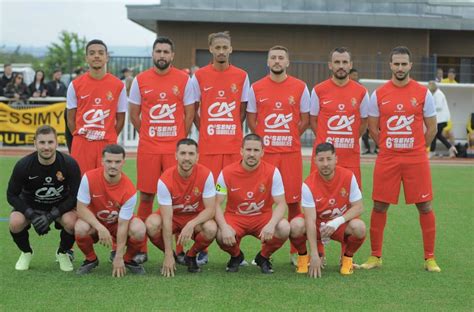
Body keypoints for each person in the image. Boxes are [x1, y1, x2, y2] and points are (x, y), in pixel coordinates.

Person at [362, 46, 440, 272]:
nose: (400, 68)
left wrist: (416, 147)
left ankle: (430, 258)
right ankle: (375, 256)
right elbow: (373, 128)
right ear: (390, 65)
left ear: (410, 65)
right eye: (396, 63)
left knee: (425, 205)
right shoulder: (379, 94)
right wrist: (387, 146)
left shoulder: (423, 93)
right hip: (388, 158)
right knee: (379, 204)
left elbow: (432, 128)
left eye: (404, 64)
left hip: (416, 159)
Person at [128, 36, 196, 263]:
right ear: (152, 54)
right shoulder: (140, 80)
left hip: (173, 150)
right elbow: (134, 114)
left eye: (166, 52)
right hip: (148, 148)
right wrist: (148, 134)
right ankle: (141, 249)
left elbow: (189, 114)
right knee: (146, 196)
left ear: (172, 55)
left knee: (177, 199)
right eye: (158, 51)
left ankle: (178, 250)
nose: (162, 55)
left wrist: (178, 139)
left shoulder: (184, 79)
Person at [246, 45, 310, 263]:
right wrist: (266, 140)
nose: (277, 61)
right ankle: (267, 252)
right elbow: (252, 120)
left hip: (290, 153)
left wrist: (290, 136)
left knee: (293, 203)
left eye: (281, 58)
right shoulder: (256, 88)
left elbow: (305, 119)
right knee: (264, 203)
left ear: (287, 62)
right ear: (267, 61)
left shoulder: (300, 87)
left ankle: (296, 252)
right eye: (273, 57)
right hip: (267, 155)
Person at [7, 125, 81, 272]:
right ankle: (27, 252)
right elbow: (11, 195)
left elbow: (75, 196)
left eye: (50, 142)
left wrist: (52, 215)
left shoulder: (69, 164)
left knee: (73, 223)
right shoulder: (23, 165)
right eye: (42, 142)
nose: (46, 147)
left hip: (59, 207)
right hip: (31, 206)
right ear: (35, 143)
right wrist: (31, 215)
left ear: (56, 143)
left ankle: (62, 253)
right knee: (15, 222)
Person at [215, 134, 290, 274]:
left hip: (262, 217)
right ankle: (236, 256)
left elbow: (281, 204)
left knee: (284, 228)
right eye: (248, 150)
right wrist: (224, 227)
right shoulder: (226, 172)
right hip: (235, 217)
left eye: (256, 150)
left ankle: (263, 257)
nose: (252, 154)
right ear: (241, 151)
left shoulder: (273, 172)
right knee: (219, 234)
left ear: (262, 152)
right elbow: (216, 204)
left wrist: (271, 224)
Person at [290, 143, 365, 276]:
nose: (325, 164)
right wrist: (314, 255)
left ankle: (347, 258)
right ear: (315, 161)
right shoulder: (308, 184)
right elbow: (310, 220)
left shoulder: (348, 176)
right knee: (295, 226)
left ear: (336, 159)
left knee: (359, 227)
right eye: (321, 160)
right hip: (318, 225)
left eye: (329, 159)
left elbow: (359, 207)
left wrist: (337, 222)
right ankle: (303, 257)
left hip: (339, 225)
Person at [146, 139, 217, 276]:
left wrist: (191, 224)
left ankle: (191, 255)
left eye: (191, 154)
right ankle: (172, 254)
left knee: (211, 228)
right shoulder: (165, 179)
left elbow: (210, 210)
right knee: (151, 224)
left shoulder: (206, 174)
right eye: (183, 153)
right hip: (173, 218)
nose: (186, 158)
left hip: (195, 218)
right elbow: (167, 218)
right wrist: (167, 254)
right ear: (176, 155)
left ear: (197, 157)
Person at [74, 144, 147, 276]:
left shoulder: (129, 189)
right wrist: (100, 227)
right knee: (80, 227)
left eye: (117, 162)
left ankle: (127, 259)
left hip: (117, 224)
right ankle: (91, 259)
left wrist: (118, 256)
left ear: (123, 162)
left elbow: (123, 224)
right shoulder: (89, 178)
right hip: (95, 223)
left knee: (139, 229)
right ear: (102, 161)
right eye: (109, 161)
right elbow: (80, 209)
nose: (113, 165)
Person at [190, 31, 250, 181]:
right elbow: (193, 109)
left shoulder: (242, 75)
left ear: (230, 49)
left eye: (225, 47)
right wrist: (203, 127)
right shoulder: (199, 76)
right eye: (218, 48)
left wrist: (233, 127)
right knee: (209, 190)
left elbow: (243, 110)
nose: (221, 51)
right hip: (208, 145)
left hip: (233, 146)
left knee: (234, 191)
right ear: (211, 49)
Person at [309, 47, 369, 189]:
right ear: (330, 65)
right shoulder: (318, 90)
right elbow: (313, 120)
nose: (341, 66)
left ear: (350, 64)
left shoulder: (361, 92)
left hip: (350, 157)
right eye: (337, 62)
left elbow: (364, 122)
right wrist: (325, 139)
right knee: (318, 199)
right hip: (324, 157)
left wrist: (351, 138)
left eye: (344, 62)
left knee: (351, 201)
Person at [66, 39, 127, 175]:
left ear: (107, 57)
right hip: (82, 144)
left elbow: (121, 119)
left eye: (100, 53)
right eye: (92, 53)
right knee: (81, 186)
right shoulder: (75, 85)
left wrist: (107, 136)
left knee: (104, 186)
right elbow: (70, 119)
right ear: (86, 58)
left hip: (106, 143)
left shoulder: (118, 85)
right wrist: (84, 136)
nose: (97, 56)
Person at [428, 81, 457, 158]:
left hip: (442, 119)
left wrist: (429, 107)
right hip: (440, 119)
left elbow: (439, 106)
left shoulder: (439, 94)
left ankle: (449, 148)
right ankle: (449, 148)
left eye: (430, 87)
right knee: (436, 134)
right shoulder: (435, 94)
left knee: (436, 134)